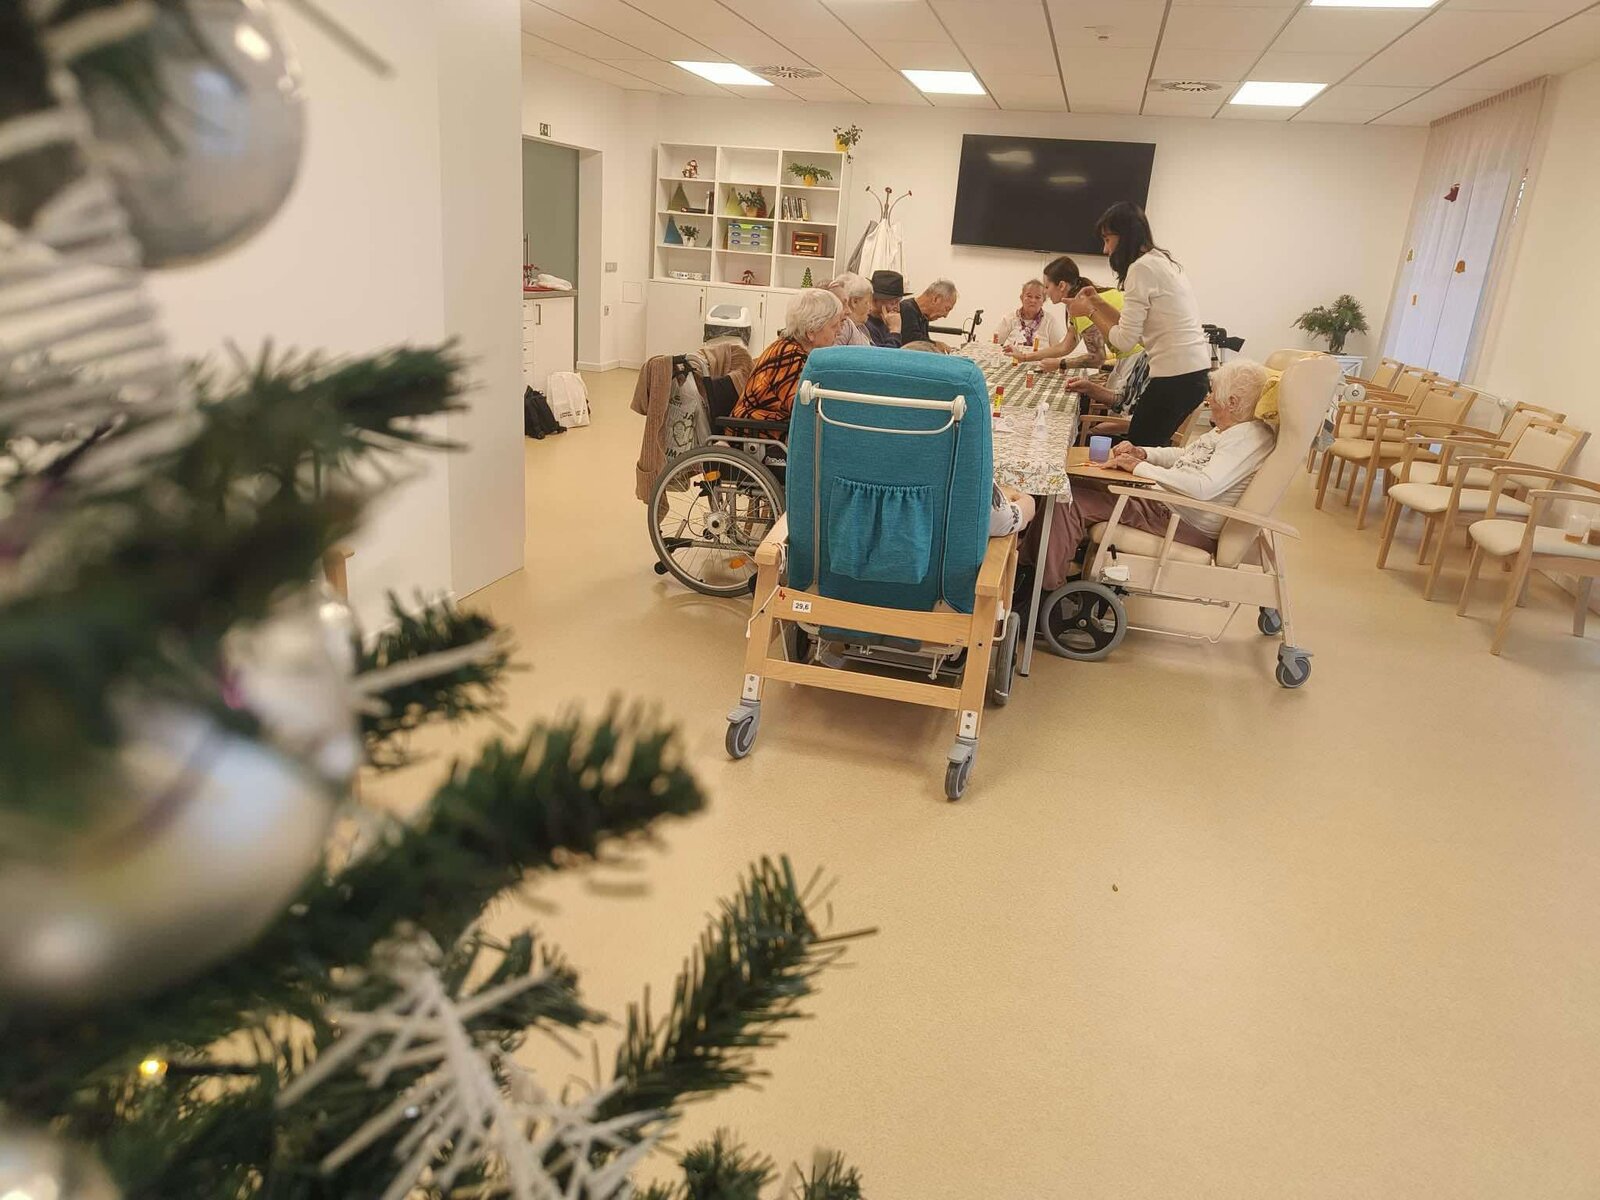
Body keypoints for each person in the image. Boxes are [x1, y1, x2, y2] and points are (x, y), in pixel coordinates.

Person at [1024, 359, 1273, 593]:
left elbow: (1203, 487)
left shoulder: (1246, 439)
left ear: (1232, 402)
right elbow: (1185, 455)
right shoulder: (1229, 429)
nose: (1208, 399)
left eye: (1213, 393)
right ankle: (1028, 564)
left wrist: (1138, 468)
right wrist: (1143, 453)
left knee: (1069, 501)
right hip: (1163, 505)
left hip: (1178, 519)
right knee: (1070, 483)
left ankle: (1045, 588)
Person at [1067, 201, 1209, 446]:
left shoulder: (1141, 269)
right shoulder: (1160, 261)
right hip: (1191, 375)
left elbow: (1124, 341)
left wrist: (1089, 312)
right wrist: (1097, 302)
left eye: (1107, 240)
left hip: (1175, 376)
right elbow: (1134, 330)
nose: (1105, 249)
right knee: (1143, 447)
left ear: (1125, 236)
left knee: (1135, 450)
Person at [730, 288, 844, 426]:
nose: (839, 331)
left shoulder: (792, 348)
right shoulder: (789, 357)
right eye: (834, 326)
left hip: (771, 428)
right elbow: (805, 408)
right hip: (756, 431)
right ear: (811, 331)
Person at [1009, 256, 1124, 369]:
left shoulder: (1081, 304)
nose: (1045, 292)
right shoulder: (1079, 300)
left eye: (1047, 287)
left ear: (1062, 286)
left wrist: (1061, 364)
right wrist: (1025, 357)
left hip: (1131, 359)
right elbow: (1064, 346)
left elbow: (1097, 358)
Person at [992, 279, 1067, 352]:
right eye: (1029, 296)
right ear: (1021, 298)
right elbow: (994, 345)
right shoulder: (1009, 319)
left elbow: (1059, 349)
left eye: (1037, 297)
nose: (1033, 300)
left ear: (1043, 301)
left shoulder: (1050, 321)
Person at [899, 279, 958, 347]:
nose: (945, 315)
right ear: (936, 299)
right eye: (947, 309)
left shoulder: (924, 316)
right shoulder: (906, 309)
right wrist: (936, 345)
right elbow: (913, 342)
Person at [826, 272, 874, 346]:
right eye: (867, 302)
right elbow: (834, 351)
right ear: (854, 302)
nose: (871, 308)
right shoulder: (844, 326)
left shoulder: (862, 328)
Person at [865, 270, 906, 347]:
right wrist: (894, 331)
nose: (898, 308)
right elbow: (885, 354)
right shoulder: (866, 326)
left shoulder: (887, 321)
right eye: (893, 303)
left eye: (899, 302)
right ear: (874, 300)